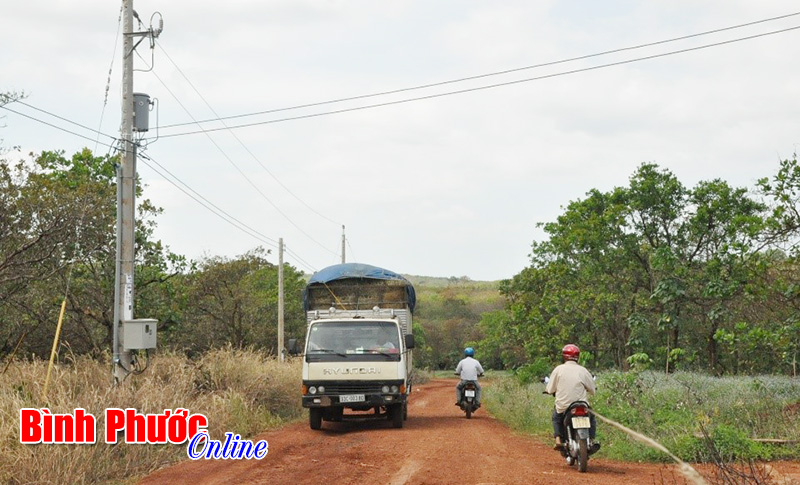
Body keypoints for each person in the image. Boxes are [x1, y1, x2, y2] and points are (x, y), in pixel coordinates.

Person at [545, 344, 597, 451]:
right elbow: (592, 390)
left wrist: (549, 391)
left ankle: (558, 440)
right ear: (578, 356)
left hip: (564, 407)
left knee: (556, 418)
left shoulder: (558, 370)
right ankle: (591, 440)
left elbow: (550, 389)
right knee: (591, 418)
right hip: (581, 405)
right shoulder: (583, 370)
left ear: (564, 356)